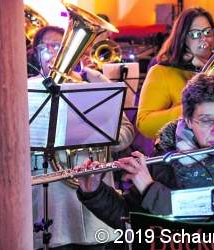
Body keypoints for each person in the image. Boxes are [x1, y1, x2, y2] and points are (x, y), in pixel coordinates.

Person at [76, 73, 214, 229]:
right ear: (187, 121)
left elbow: (201, 230)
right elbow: (129, 220)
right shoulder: (164, 160)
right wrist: (95, 192)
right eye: (206, 120)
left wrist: (149, 188)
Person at [29, 26, 135, 250]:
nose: (54, 52)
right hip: (52, 210)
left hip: (95, 211)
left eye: (60, 46)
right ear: (36, 52)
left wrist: (98, 133)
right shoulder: (28, 92)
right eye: (46, 47)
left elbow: (127, 131)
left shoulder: (91, 88)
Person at [136, 7, 214, 139]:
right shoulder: (162, 71)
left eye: (208, 32)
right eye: (195, 34)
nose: (204, 39)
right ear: (182, 38)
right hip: (181, 152)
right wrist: (192, 108)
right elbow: (144, 124)